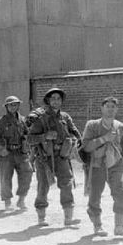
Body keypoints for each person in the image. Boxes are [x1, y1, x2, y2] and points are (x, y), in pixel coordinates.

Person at [27, 88, 81, 226]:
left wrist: (78, 141)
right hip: (44, 158)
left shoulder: (65, 117)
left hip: (62, 156)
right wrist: (45, 136)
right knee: (43, 186)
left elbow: (74, 131)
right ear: (48, 101)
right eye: (53, 98)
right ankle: (41, 217)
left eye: (58, 98)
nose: (56, 101)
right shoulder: (41, 118)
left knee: (67, 184)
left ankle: (68, 218)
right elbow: (29, 139)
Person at [80, 96, 123, 237]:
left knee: (121, 193)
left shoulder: (121, 127)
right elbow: (86, 147)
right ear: (102, 108)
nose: (110, 109)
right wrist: (104, 138)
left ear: (117, 110)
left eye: (113, 107)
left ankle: (119, 226)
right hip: (97, 165)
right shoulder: (92, 125)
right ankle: (97, 226)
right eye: (107, 106)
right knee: (95, 196)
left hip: (116, 165)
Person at [0, 96, 33, 210]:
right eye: (10, 105)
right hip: (7, 154)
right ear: (6, 107)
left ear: (18, 105)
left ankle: (21, 200)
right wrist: (0, 150)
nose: (13, 107)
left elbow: (29, 135)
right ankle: (7, 202)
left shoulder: (23, 121)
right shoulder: (1, 122)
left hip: (21, 152)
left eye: (15, 104)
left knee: (27, 174)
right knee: (5, 178)